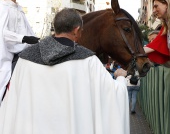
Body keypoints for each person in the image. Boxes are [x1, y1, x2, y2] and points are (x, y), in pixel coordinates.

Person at [0, 8, 130, 134]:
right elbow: (112, 95)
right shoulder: (88, 60)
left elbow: (12, 104)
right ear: (76, 30)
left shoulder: (25, 58)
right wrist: (120, 78)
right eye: (81, 31)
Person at [0, 0, 39, 103]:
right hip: (9, 57)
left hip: (23, 52)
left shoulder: (18, 9)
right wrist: (23, 38)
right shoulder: (3, 8)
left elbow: (29, 32)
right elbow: (3, 32)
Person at [143, 0, 170, 65]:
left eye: (156, 6)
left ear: (166, 4)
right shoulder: (165, 28)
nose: (154, 11)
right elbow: (154, 46)